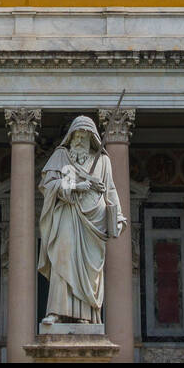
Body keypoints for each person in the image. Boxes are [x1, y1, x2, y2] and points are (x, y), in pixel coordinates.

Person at [37, 116, 126, 325]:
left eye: (83, 137)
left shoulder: (102, 161)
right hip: (68, 215)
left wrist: (119, 216)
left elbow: (110, 189)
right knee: (63, 259)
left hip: (94, 221)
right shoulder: (62, 157)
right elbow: (49, 184)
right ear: (70, 137)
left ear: (91, 139)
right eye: (76, 136)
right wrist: (77, 186)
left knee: (89, 270)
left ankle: (84, 316)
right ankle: (56, 312)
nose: (79, 140)